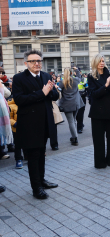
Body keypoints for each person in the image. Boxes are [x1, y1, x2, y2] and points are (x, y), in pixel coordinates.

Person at [12, 49, 59, 199]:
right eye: (33, 61)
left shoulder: (46, 76)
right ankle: (36, 187)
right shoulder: (19, 78)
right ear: (26, 63)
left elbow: (55, 96)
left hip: (45, 120)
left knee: (42, 154)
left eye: (39, 61)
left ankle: (42, 180)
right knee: (33, 156)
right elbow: (20, 100)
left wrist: (52, 90)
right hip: (30, 123)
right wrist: (42, 92)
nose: (37, 63)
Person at [87, 54, 110, 169]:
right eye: (100, 61)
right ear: (95, 63)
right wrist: (105, 86)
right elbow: (93, 95)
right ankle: (100, 163)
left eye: (103, 61)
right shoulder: (91, 76)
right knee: (98, 139)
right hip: (98, 113)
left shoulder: (109, 74)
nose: (102, 63)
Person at [58, 67, 85, 145]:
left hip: (67, 104)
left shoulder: (62, 82)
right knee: (73, 121)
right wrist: (76, 69)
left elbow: (58, 90)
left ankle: (75, 137)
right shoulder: (75, 80)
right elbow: (80, 77)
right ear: (71, 73)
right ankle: (74, 136)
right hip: (76, 103)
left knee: (71, 122)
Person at [8, 98, 23, 168]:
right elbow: (9, 118)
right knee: (18, 145)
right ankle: (18, 159)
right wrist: (14, 123)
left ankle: (26, 155)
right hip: (16, 128)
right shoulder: (11, 106)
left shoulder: (25, 103)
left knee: (27, 142)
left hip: (26, 127)